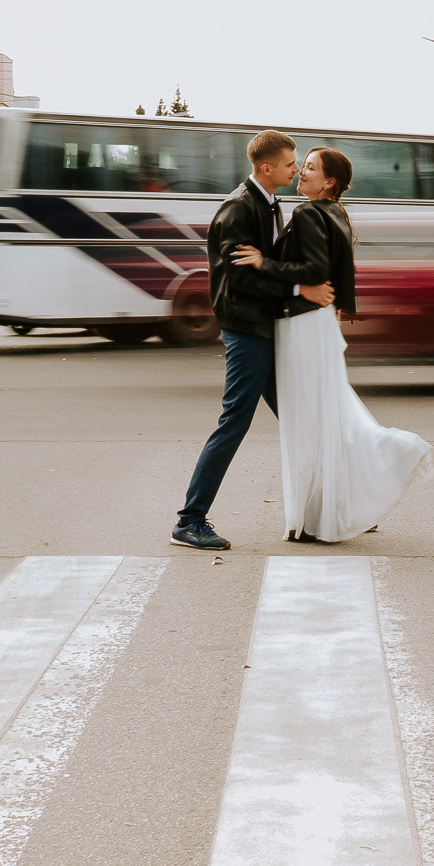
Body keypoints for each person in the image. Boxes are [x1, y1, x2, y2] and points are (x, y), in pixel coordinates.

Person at [233, 147, 432, 542]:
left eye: (309, 168)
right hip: (320, 322)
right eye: (302, 165)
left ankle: (325, 509)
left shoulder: (308, 213)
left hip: (303, 324)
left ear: (329, 182)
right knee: (326, 413)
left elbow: (312, 271)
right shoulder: (336, 213)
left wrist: (262, 263)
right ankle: (343, 503)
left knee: (311, 419)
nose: (301, 172)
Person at [171, 131, 334, 551]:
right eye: (289, 163)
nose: (296, 168)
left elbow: (270, 264)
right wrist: (300, 292)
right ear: (267, 168)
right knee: (235, 422)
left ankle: (332, 505)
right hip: (247, 330)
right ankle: (190, 521)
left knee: (302, 418)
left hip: (264, 326)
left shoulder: (267, 203)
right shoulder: (239, 210)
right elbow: (241, 280)